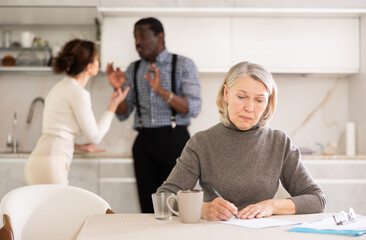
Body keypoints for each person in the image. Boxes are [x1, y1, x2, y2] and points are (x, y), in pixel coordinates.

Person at [158, 61, 326, 220]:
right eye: (241, 97)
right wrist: (202, 209)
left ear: (267, 103)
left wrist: (272, 206)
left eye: (259, 100)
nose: (250, 108)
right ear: (226, 94)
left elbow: (317, 199)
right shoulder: (202, 143)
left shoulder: (280, 143)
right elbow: (164, 197)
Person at [107, 17, 201, 213]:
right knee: (148, 208)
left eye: (142, 36)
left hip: (176, 141)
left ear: (160, 37)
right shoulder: (134, 69)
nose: (137, 42)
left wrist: (161, 91)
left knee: (177, 206)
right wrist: (118, 90)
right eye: (135, 37)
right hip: (144, 143)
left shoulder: (183, 64)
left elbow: (193, 107)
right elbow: (124, 113)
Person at [24, 39, 130, 185]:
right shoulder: (77, 92)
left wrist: (77, 146)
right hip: (52, 162)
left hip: (39, 159)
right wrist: (113, 105)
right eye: (97, 59)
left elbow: (56, 133)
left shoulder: (59, 87)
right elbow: (95, 137)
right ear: (89, 66)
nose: (99, 63)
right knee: (62, 208)